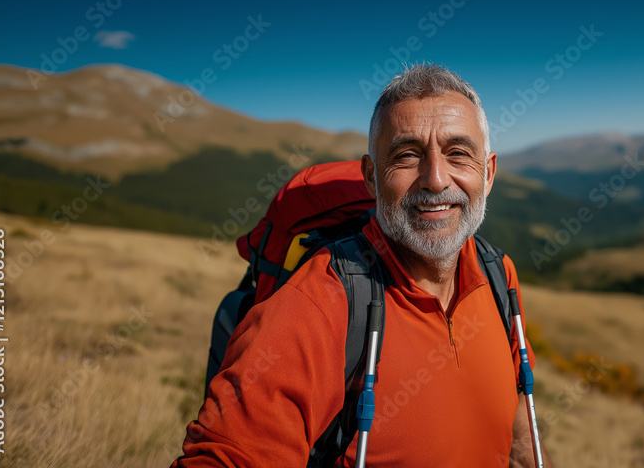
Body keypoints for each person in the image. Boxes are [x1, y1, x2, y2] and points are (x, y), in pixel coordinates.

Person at [171, 64, 553, 467]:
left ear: (488, 173)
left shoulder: (499, 276)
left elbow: (516, 416)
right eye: (407, 155)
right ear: (371, 177)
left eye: (458, 153)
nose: (436, 179)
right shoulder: (320, 303)